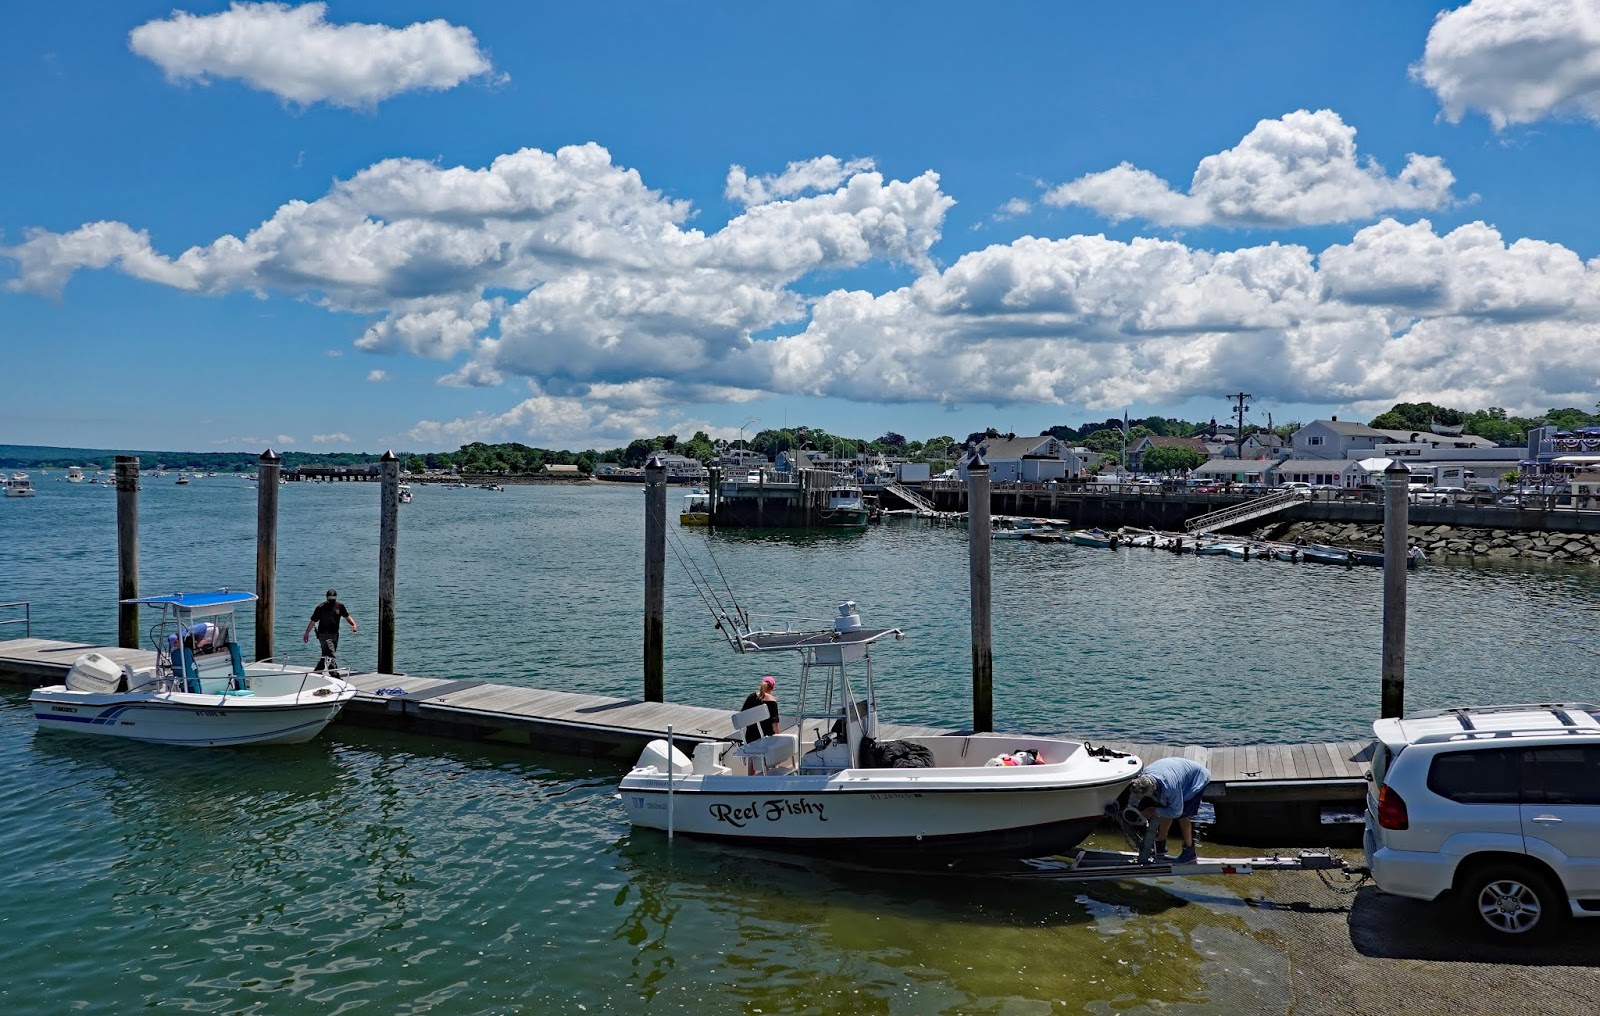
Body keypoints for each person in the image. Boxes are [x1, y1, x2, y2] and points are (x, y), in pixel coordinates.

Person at [1128, 757, 1212, 864]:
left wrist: (1154, 810)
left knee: (1183, 816)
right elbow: (1135, 796)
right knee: (1165, 808)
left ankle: (1189, 853)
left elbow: (1177, 812)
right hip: (1174, 771)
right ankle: (1160, 846)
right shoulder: (1144, 776)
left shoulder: (1170, 788)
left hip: (1196, 778)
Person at [303, 589, 357, 672]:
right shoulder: (320, 607)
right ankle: (334, 673)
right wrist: (307, 633)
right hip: (323, 634)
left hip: (335, 634)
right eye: (330, 598)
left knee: (326, 653)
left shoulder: (340, 606)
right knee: (330, 653)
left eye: (333, 598)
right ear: (327, 598)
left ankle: (318, 670)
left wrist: (353, 624)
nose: (331, 600)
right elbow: (313, 622)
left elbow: (347, 616)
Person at [741, 675, 779, 743]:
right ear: (772, 688)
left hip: (750, 737)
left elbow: (743, 715)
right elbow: (774, 724)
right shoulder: (772, 700)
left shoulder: (751, 697)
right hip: (767, 738)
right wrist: (779, 738)